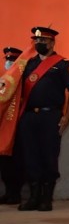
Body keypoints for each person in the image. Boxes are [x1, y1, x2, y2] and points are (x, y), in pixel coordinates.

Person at [14, 28, 69, 211]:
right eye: (36, 40)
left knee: (49, 156)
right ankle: (33, 196)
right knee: (30, 155)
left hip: (50, 116)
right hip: (28, 116)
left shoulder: (62, 64)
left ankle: (46, 197)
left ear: (52, 43)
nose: (39, 43)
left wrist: (66, 117)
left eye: (43, 40)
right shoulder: (28, 64)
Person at [0, 46, 24, 205]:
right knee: (4, 162)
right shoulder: (4, 81)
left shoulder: (22, 81)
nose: (8, 63)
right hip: (4, 126)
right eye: (7, 60)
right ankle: (8, 192)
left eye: (12, 60)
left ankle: (16, 193)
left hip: (18, 124)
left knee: (17, 161)